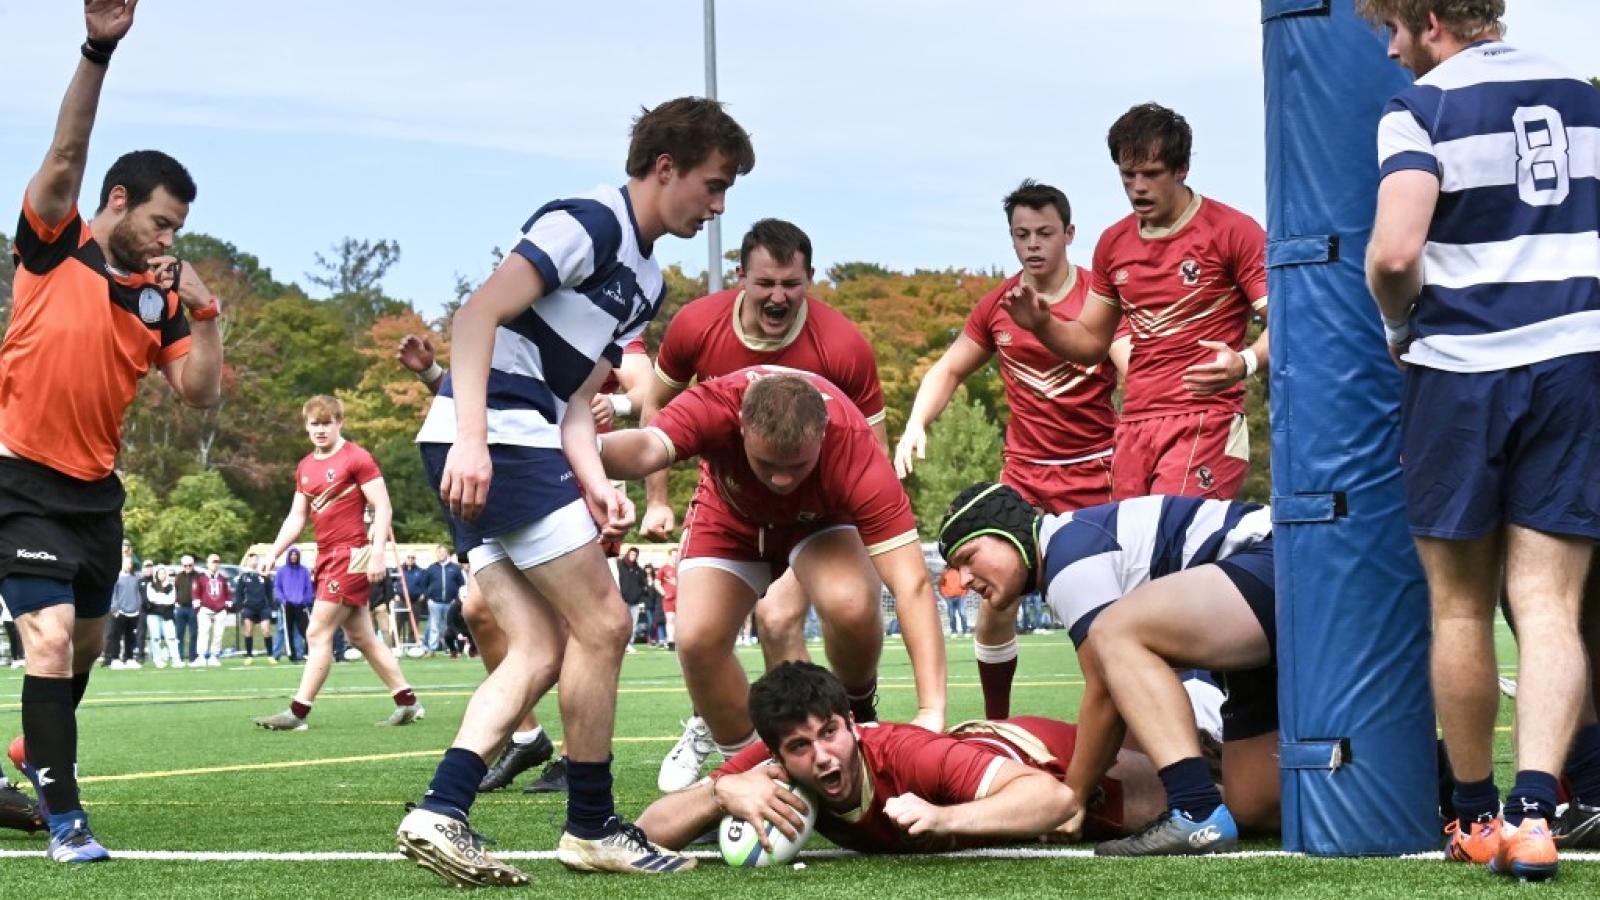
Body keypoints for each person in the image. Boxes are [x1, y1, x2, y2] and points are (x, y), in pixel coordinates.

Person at [396, 96, 754, 886]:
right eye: (714, 184)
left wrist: (597, 486)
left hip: (519, 434)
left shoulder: (648, 280)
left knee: (540, 646)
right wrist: (473, 439)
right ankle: (591, 825)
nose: (720, 205)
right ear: (667, 168)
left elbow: (574, 407)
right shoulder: (589, 222)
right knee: (606, 621)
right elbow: (475, 316)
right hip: (491, 435)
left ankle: (439, 810)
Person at [1358, 0, 1600, 881]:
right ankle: (1538, 817)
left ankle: (1473, 817)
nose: (1390, 50)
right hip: (1576, 363)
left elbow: (1392, 254)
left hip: (1461, 368)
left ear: (1430, 18)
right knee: (1548, 604)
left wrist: (1398, 329)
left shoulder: (1421, 109)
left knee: (1460, 605)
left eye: (1391, 27)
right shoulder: (1582, 90)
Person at [0, 0, 225, 864]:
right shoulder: (54, 244)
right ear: (119, 202)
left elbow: (199, 395)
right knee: (50, 640)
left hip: (95, 496)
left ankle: (34, 750)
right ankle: (65, 821)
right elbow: (65, 153)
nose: (169, 238)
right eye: (162, 222)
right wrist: (98, 48)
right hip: (17, 478)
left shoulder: (161, 297)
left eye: (180, 229)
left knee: (85, 644)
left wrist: (204, 311)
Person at [639, 219, 892, 791]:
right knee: (699, 638)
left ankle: (853, 715)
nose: (778, 296)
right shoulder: (697, 324)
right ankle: (748, 753)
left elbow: (872, 447)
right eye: (765, 282)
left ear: (810, 279)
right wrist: (657, 499)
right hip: (730, 502)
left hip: (813, 510)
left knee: (799, 615)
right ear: (740, 278)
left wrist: (875, 532)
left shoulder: (843, 345)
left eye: (791, 283)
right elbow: (656, 405)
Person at [600, 369, 949, 780]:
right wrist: (575, 447)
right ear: (742, 427)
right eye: (767, 463)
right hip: (731, 515)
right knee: (696, 640)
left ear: (823, 434)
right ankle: (752, 769)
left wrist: (931, 712)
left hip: (818, 522)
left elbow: (912, 584)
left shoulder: (854, 447)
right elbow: (645, 449)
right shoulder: (715, 406)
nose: (781, 479)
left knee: (853, 604)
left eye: (796, 464)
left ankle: (858, 709)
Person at [936, 482, 1276, 857]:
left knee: (1112, 633)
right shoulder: (1070, 550)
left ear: (1007, 534)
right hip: (1256, 601)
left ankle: (1196, 808)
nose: (964, 580)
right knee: (1253, 807)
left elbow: (1104, 689)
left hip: (1272, 557)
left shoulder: (1067, 555)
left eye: (969, 557)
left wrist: (1074, 795)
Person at [1004, 105, 1269, 503]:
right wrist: (1043, 325)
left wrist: (1244, 362)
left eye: (1151, 174)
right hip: (1134, 425)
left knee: (1171, 541)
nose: (1137, 187)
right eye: (1128, 175)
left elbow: (1290, 322)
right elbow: (1091, 341)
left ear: (1181, 170)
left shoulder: (1233, 231)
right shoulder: (1114, 243)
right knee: (1130, 555)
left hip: (1205, 418)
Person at [637, 661, 1168, 853]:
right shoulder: (773, 761)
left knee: (1239, 802)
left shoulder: (905, 754)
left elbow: (1053, 797)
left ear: (851, 724)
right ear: (777, 754)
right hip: (1002, 767)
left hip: (1049, 755)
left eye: (830, 733)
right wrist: (719, 789)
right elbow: (647, 830)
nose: (822, 757)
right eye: (801, 747)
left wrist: (943, 818)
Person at [394, 334, 561, 796]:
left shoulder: (601, 308)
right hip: (512, 464)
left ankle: (581, 759)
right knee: (478, 612)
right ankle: (527, 737)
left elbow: (645, 393)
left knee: (586, 624)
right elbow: (488, 404)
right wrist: (431, 375)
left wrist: (621, 405)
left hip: (570, 470)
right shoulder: (515, 320)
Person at [253, 396, 422, 731]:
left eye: (326, 423)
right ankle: (408, 702)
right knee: (361, 636)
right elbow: (296, 517)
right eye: (314, 424)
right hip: (327, 555)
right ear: (306, 426)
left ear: (339, 422)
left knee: (317, 632)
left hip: (352, 554)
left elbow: (383, 507)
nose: (320, 430)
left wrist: (377, 553)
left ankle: (297, 713)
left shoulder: (357, 457)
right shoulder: (305, 466)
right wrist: (273, 553)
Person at [420, 544, 464, 654]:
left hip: (451, 602)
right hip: (434, 602)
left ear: (447, 553)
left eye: (443, 552)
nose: (441, 554)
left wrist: (457, 599)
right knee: (434, 626)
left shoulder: (455, 568)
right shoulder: (431, 568)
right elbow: (424, 584)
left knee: (449, 626)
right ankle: (432, 648)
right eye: (439, 552)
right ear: (437, 554)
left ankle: (448, 647)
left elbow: (461, 585)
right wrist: (428, 597)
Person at [192, 554, 231, 668]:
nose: (215, 564)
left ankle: (214, 655)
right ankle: (201, 656)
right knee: (203, 633)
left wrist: (226, 607)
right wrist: (198, 608)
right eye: (213, 562)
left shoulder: (222, 578)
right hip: (205, 609)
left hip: (220, 609)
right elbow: (195, 593)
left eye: (217, 562)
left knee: (218, 634)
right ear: (207, 563)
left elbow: (228, 593)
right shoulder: (201, 577)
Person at [274, 546, 313, 662]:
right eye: (292, 555)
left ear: (298, 557)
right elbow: (277, 587)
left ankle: (308, 653)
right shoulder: (282, 571)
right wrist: (282, 599)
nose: (294, 557)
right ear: (288, 556)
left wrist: (306, 600)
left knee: (307, 630)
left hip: (301, 604)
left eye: (296, 555)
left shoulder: (304, 571)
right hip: (287, 605)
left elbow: (308, 587)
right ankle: (292, 655)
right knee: (288, 631)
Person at [235, 553, 275, 664]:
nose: (254, 562)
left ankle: (270, 655)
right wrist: (240, 607)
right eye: (251, 560)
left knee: (266, 630)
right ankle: (249, 656)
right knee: (248, 631)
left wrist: (272, 606)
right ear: (248, 562)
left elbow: (269, 591)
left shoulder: (264, 575)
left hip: (263, 607)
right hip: (249, 607)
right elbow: (238, 593)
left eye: (256, 560)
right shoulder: (243, 576)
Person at [104, 560, 141, 669]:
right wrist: (114, 608)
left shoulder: (135, 578)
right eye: (126, 564)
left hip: (133, 612)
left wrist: (138, 606)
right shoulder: (117, 578)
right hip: (120, 612)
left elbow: (137, 593)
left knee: (130, 637)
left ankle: (129, 658)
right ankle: (115, 658)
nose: (128, 566)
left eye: (130, 564)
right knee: (116, 636)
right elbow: (113, 594)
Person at [143, 564, 179, 668]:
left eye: (163, 573)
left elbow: (171, 600)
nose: (162, 575)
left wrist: (160, 598)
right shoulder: (151, 585)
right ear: (156, 574)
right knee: (155, 638)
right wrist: (163, 598)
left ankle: (176, 659)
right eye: (160, 573)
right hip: (153, 615)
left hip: (167, 615)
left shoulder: (171, 587)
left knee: (171, 637)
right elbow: (151, 598)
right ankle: (157, 660)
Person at [616, 547, 648, 654]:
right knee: (622, 623)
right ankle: (620, 644)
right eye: (631, 554)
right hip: (622, 600)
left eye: (635, 555)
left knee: (633, 624)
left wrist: (640, 596)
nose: (633, 557)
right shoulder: (619, 566)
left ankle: (630, 643)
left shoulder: (638, 570)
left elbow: (643, 584)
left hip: (635, 601)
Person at [172, 555, 199, 664]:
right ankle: (180, 657)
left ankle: (193, 658)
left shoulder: (198, 576)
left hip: (193, 608)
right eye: (185, 565)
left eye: (190, 565)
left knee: (194, 634)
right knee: (179, 634)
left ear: (193, 565)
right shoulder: (178, 577)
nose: (188, 567)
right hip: (181, 608)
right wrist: (176, 603)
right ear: (182, 565)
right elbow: (176, 590)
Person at [937, 564, 968, 638]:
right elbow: (941, 584)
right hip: (949, 597)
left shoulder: (960, 571)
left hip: (961, 596)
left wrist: (964, 592)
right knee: (951, 615)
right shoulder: (945, 572)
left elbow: (966, 582)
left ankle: (965, 631)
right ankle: (954, 631)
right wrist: (944, 594)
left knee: (962, 613)